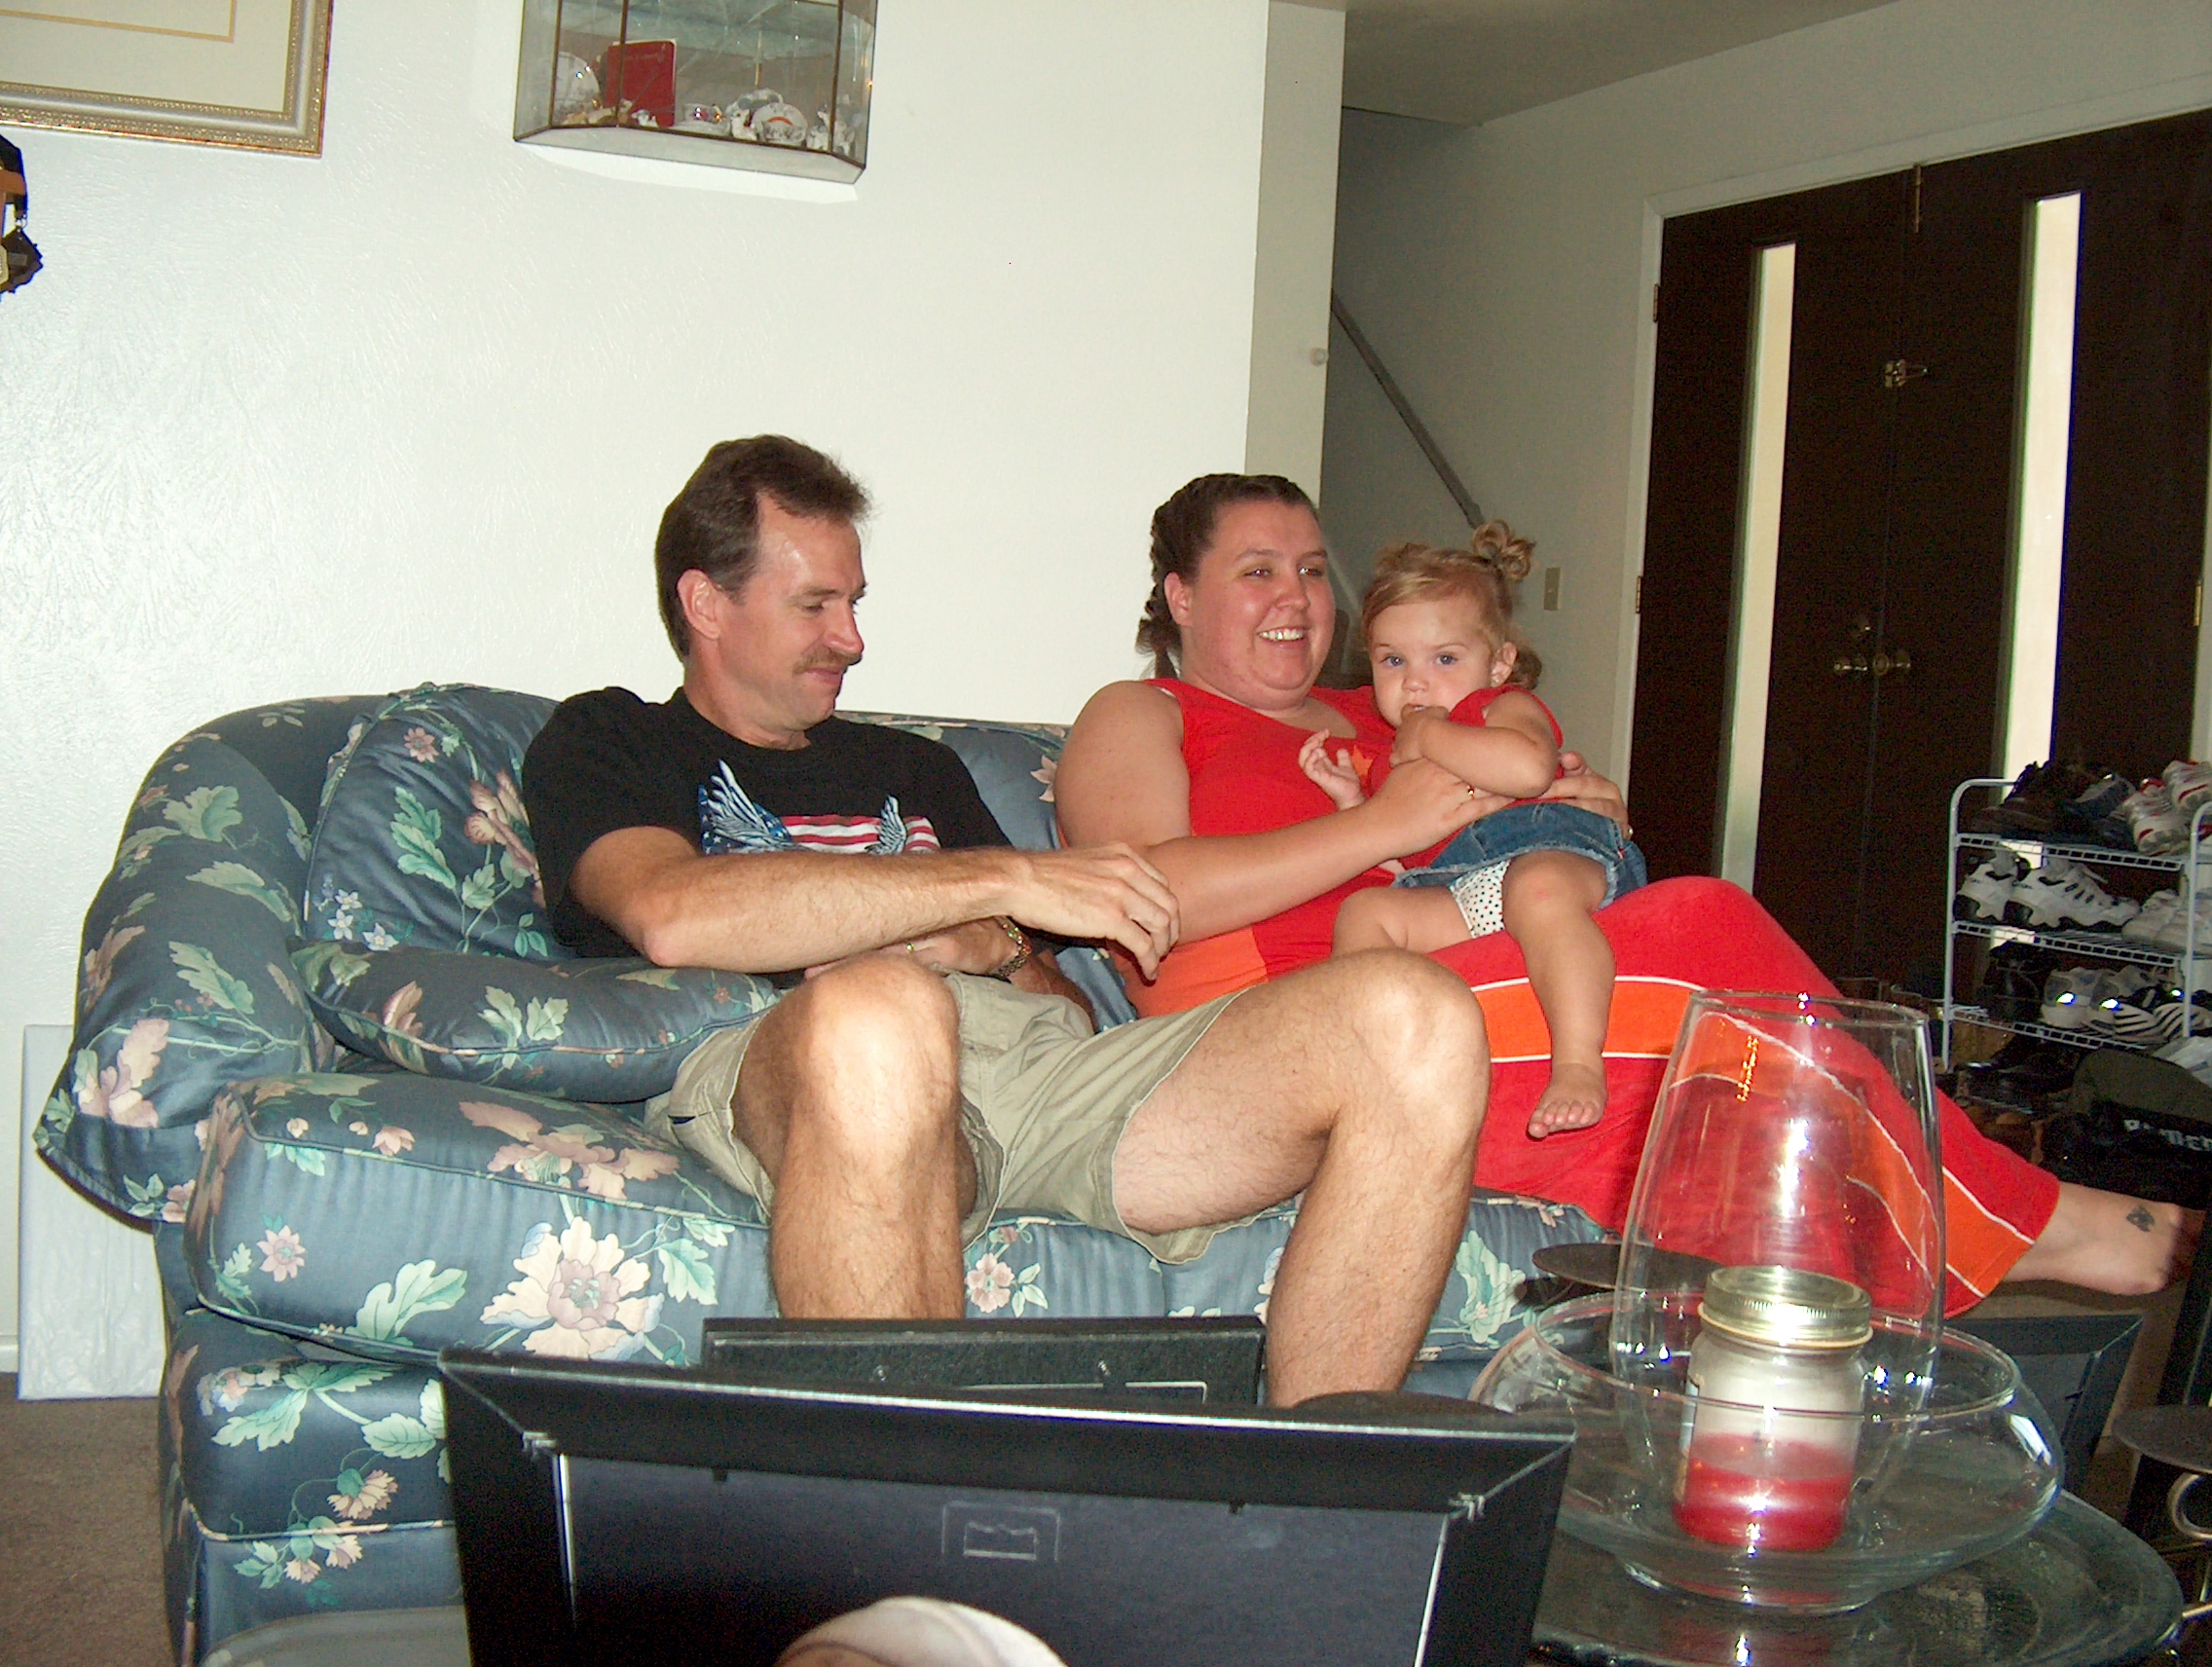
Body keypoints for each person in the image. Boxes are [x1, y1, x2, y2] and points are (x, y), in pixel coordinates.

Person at [1054, 470, 2195, 1311]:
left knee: (1715, 1050)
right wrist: (1383, 824)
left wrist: (1581, 804)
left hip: (1456, 965)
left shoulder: (1391, 701)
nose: (1297, 595)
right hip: (1279, 1031)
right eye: (1256, 569)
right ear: (1180, 594)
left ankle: (1804, 1344)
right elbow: (1145, 895)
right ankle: (2015, 1216)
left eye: (1311, 568)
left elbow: (1513, 799)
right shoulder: (1143, 711)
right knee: (1703, 936)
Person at [519, 435, 1498, 1405]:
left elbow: (1059, 1001)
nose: (850, 639)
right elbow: (671, 914)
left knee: (1415, 1013)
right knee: (881, 1008)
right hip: (807, 1057)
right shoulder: (613, 736)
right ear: (704, 603)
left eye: (854, 603)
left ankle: (1314, 1484)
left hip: (1033, 1076)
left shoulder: (915, 767)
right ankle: (904, 1506)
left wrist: (989, 943)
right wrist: (986, 883)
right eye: (814, 605)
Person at [1301, 526, 1646, 1138]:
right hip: (1465, 891)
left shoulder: (1496, 708)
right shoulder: (1390, 755)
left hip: (1553, 852)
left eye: (1444, 659)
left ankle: (1577, 1062)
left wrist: (1431, 734)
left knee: (1539, 892)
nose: (1415, 682)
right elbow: (1398, 856)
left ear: (1499, 663)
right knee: (1365, 912)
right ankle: (1361, 1058)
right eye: (1393, 660)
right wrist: (1353, 800)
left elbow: (1529, 768)